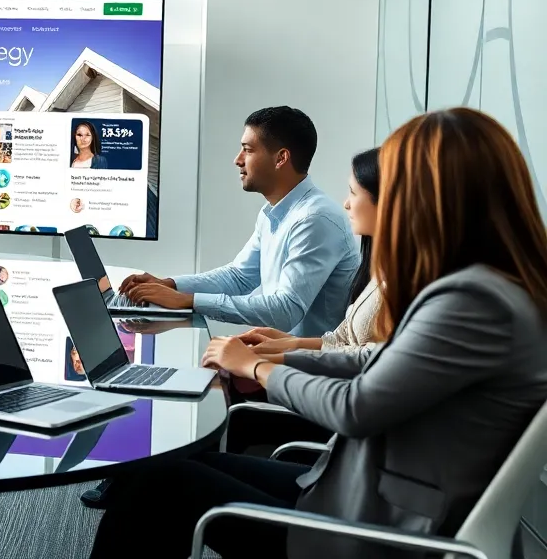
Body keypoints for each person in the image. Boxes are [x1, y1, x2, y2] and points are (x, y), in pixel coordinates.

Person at [89, 107, 547, 559]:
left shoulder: (472, 302)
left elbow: (356, 406)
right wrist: (282, 355)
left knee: (161, 485)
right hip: (358, 496)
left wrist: (258, 367)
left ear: (434, 195)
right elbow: (374, 358)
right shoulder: (487, 289)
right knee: (167, 468)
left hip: (371, 532)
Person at [119, 107, 359, 336]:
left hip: (308, 367)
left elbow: (286, 310)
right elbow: (239, 277)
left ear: (281, 158)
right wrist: (170, 285)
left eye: (248, 149)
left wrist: (189, 300)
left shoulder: (315, 219)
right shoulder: (272, 212)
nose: (238, 159)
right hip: (282, 357)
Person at [238, 147, 383, 357]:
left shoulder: (316, 217)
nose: (346, 203)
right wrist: (287, 344)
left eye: (353, 192)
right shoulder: (380, 270)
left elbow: (368, 356)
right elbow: (341, 340)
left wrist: (266, 363)